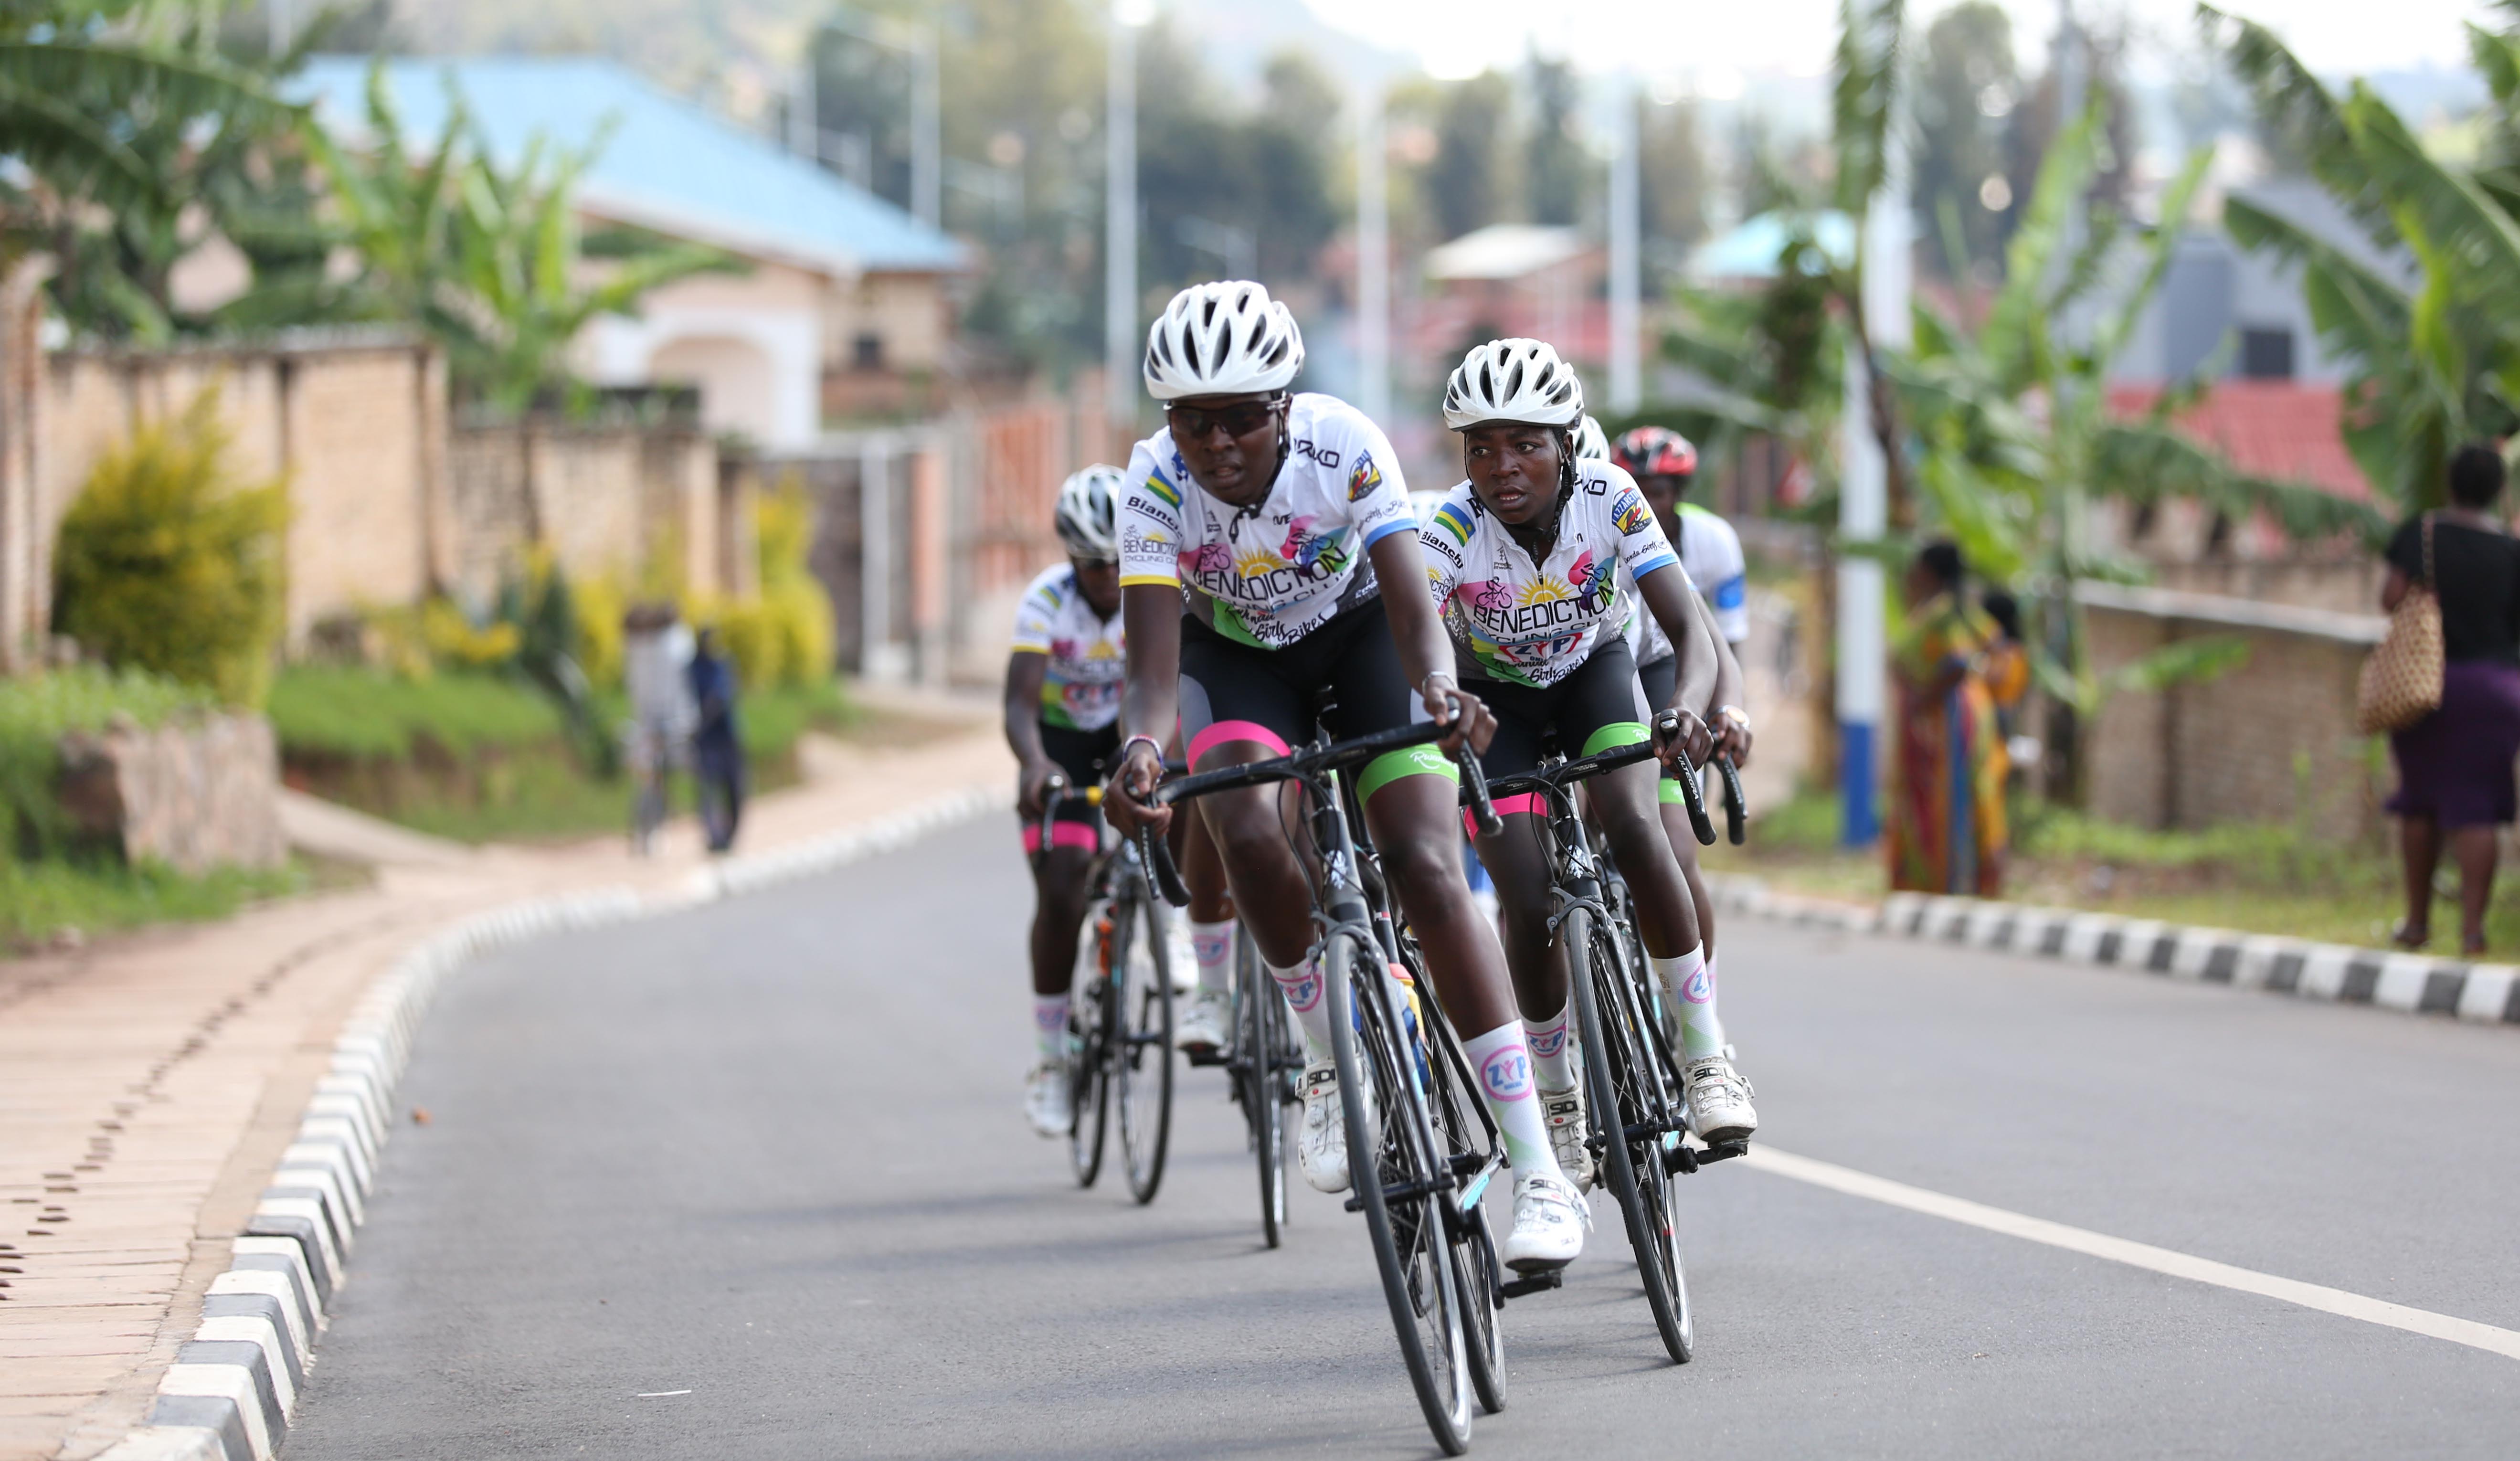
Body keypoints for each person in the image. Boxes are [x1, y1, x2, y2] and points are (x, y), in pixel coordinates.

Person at [1101, 281, 1584, 1273]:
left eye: (1241, 418)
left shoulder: (1343, 442)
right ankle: (1326, 1059)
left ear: (1282, 407)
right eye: (1195, 423)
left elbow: (1413, 603)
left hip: (1365, 638)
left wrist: (1443, 690)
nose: (1219, 443)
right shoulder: (1149, 485)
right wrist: (1142, 751)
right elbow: (1152, 669)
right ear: (1168, 424)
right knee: (1238, 822)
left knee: (1423, 860)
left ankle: (1539, 1172)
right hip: (1238, 660)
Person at [1421, 342, 1757, 1192]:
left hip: (1593, 677)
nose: (1502, 466)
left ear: (1567, 444)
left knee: (1640, 826)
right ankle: (1559, 1099)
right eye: (1481, 448)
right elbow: (1411, 639)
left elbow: (1690, 629)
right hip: (1493, 701)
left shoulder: (1610, 495)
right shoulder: (1449, 530)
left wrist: (1684, 706)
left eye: (1525, 444)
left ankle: (1705, 1055)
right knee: (1526, 898)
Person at [1605, 425, 1757, 987]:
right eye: (1636, 486)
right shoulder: (1599, 527)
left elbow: (1723, 642)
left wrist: (1732, 715)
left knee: (1675, 849)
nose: (1647, 500)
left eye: (1661, 491)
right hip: (1613, 680)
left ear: (1680, 493)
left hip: (1677, 677)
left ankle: (1704, 1019)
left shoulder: (1712, 544)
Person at [1006, 466, 1130, 1136]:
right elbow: (1019, 705)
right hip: (1062, 751)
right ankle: (1052, 1063)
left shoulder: (1152, 594)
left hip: (1127, 739)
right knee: (1061, 893)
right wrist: (1034, 765)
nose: (1108, 577)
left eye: (1119, 562)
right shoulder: (1046, 602)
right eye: (1092, 564)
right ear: (1069, 559)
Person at [2382, 444, 2520, 955]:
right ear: (2497, 492)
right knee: (2478, 809)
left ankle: (2417, 923)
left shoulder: (2422, 534)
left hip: (2427, 684)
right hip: (2495, 690)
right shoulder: (2510, 549)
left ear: (2450, 483)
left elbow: (2390, 598)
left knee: (2419, 801)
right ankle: (2473, 931)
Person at [1888, 540, 2007, 896]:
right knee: (1969, 792)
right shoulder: (1960, 608)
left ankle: (1947, 879)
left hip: (1946, 720)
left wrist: (1927, 696)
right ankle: (1964, 878)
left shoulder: (1941, 612)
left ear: (1927, 571)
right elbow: (1994, 643)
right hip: (1964, 712)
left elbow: (1957, 662)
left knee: (1943, 796)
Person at [687, 626, 744, 853]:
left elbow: (721, 697)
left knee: (734, 790)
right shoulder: (693, 668)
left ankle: (729, 838)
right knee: (707, 790)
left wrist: (702, 719)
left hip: (727, 736)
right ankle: (714, 837)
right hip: (705, 739)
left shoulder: (723, 664)